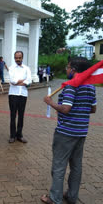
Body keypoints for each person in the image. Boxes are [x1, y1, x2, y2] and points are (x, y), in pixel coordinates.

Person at [41, 57, 96, 204]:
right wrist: (81, 108)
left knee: (59, 166)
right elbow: (93, 109)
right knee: (76, 166)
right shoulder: (91, 86)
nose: (66, 70)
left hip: (65, 132)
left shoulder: (71, 85)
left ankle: (55, 198)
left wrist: (50, 102)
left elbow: (66, 108)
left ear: (74, 70)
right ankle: (72, 196)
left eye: (68, 67)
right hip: (81, 132)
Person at [8, 51, 31, 143]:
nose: (18, 59)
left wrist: (19, 82)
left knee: (21, 115)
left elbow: (29, 80)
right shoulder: (11, 68)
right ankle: (12, 136)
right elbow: (12, 81)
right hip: (13, 94)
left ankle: (19, 135)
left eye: (19, 57)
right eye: (16, 57)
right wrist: (23, 82)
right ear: (14, 58)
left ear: (22, 58)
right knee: (13, 115)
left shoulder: (27, 68)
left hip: (23, 94)